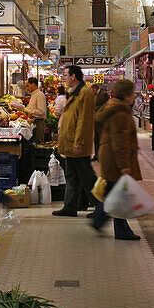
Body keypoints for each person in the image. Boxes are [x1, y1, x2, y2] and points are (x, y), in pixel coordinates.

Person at [91, 79, 142, 241]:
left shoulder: (114, 108)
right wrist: (124, 165)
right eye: (132, 93)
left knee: (115, 193)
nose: (134, 96)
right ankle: (112, 226)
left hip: (111, 156)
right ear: (126, 94)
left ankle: (109, 224)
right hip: (115, 159)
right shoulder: (120, 112)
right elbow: (119, 141)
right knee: (116, 194)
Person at [52, 65, 97, 217]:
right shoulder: (73, 93)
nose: (63, 77)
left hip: (77, 144)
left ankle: (101, 206)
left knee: (87, 177)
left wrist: (80, 142)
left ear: (73, 77)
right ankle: (70, 206)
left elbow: (84, 121)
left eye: (65, 75)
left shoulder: (85, 93)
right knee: (72, 176)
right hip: (70, 143)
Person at [23, 77, 47, 142]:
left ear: (33, 85)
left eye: (28, 86)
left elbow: (41, 112)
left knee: (38, 144)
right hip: (34, 123)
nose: (27, 88)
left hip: (38, 123)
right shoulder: (34, 95)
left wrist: (26, 110)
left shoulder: (39, 95)